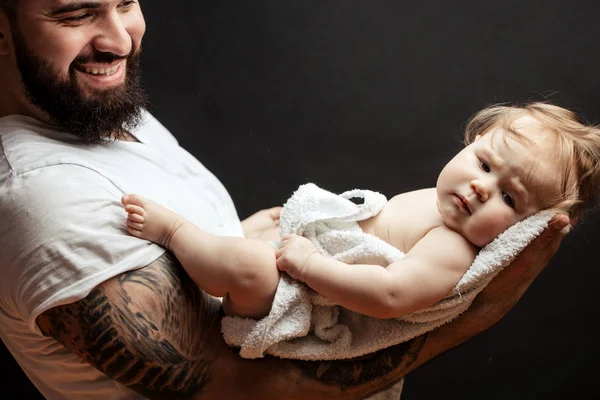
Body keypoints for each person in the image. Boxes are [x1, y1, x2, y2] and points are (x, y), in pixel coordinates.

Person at [0, 0, 571, 399]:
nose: (121, 40)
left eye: (125, 1)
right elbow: (233, 392)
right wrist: (474, 317)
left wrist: (237, 234)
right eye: (74, 13)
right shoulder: (43, 199)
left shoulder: (94, 106)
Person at [120, 102, 600, 324]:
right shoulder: (443, 202)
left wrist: (310, 266)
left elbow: (391, 295)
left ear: (525, 229)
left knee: (252, 266)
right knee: (268, 219)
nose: (480, 188)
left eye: (510, 199)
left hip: (301, 300)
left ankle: (176, 232)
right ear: (473, 141)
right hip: (306, 261)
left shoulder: (451, 248)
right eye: (486, 164)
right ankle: (218, 248)